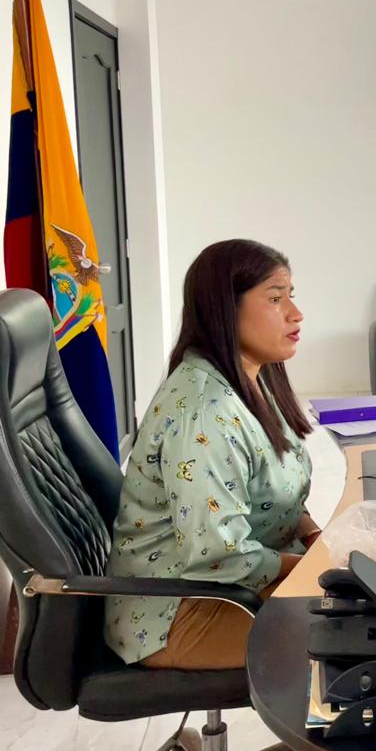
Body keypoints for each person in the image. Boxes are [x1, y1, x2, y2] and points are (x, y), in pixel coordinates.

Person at [105, 240, 319, 669]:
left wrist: (317, 539)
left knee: (365, 605)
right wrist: (318, 566)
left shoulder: (252, 379)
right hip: (180, 610)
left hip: (230, 587)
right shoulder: (205, 413)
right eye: (275, 299)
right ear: (225, 308)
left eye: (291, 296)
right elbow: (221, 556)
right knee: (353, 632)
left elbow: (278, 490)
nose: (295, 313)